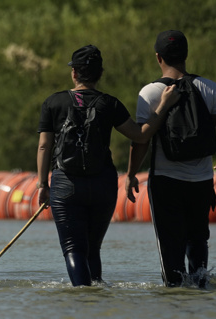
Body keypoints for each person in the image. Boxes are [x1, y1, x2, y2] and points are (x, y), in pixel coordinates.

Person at [37, 44, 180, 286]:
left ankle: (83, 297)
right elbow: (140, 135)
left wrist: (43, 185)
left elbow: (44, 146)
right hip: (103, 184)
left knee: (74, 249)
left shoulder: (53, 103)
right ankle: (97, 296)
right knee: (93, 248)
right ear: (100, 74)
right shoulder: (109, 104)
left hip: (66, 185)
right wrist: (164, 105)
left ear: (74, 73)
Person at [126, 30, 216, 287]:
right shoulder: (208, 87)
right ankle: (200, 288)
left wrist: (131, 174)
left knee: (170, 245)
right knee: (198, 241)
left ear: (158, 57)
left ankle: (175, 296)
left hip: (166, 181)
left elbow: (141, 140)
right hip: (200, 181)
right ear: (186, 55)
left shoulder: (151, 92)